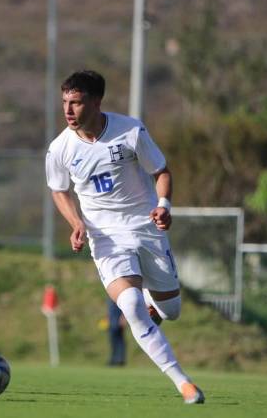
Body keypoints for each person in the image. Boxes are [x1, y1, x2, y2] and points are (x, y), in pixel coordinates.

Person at [45, 70, 205, 404]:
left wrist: (164, 205)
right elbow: (59, 190)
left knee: (171, 311)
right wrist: (76, 222)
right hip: (105, 237)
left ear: (96, 102)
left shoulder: (130, 130)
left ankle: (153, 303)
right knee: (129, 305)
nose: (68, 110)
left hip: (145, 227)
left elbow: (160, 171)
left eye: (76, 102)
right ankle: (183, 383)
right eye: (65, 102)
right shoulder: (60, 148)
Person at [107, 298, 126, 366]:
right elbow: (110, 310)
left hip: (118, 321)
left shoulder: (119, 294)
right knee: (113, 340)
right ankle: (114, 359)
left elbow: (125, 306)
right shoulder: (110, 295)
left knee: (120, 339)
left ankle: (120, 359)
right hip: (112, 321)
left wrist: (123, 317)